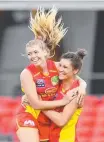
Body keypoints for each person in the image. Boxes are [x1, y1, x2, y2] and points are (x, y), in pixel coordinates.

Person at [16, 7, 87, 142]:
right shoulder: (27, 73)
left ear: (46, 53)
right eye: (30, 54)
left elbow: (76, 77)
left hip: (48, 119)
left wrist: (83, 86)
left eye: (36, 52)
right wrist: (64, 101)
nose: (33, 56)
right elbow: (35, 105)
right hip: (30, 114)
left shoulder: (56, 66)